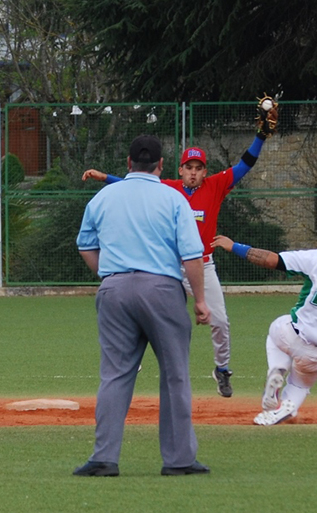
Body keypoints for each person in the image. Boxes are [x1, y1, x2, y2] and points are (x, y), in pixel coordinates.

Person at [82, 103, 279, 398]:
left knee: (221, 322)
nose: (194, 173)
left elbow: (245, 164)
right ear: (180, 169)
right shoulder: (169, 188)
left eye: (199, 168)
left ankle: (222, 369)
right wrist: (104, 178)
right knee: (151, 316)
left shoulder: (217, 185)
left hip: (203, 265)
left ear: (205, 172)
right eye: (189, 167)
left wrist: (260, 137)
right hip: (169, 267)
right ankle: (130, 361)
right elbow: (134, 183)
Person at [74, 134, 212, 477]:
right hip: (162, 290)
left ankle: (104, 458)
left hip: (115, 291)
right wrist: (201, 300)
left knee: (115, 375)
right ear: (162, 165)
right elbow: (192, 255)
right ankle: (179, 460)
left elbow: (85, 246)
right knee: (175, 375)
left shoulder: (103, 197)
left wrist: (108, 277)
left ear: (127, 162)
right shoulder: (174, 198)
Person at [211, 222, 317, 426]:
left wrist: (234, 247)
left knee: (276, 329)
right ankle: (287, 407)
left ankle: (277, 370)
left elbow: (271, 260)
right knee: (301, 385)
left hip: (291, 334)